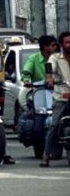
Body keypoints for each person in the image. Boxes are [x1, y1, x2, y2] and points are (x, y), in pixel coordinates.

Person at [40, 30, 70, 167]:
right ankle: (46, 155)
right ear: (61, 44)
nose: (69, 44)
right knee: (54, 124)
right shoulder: (56, 57)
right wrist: (50, 77)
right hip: (61, 96)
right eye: (67, 42)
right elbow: (49, 67)